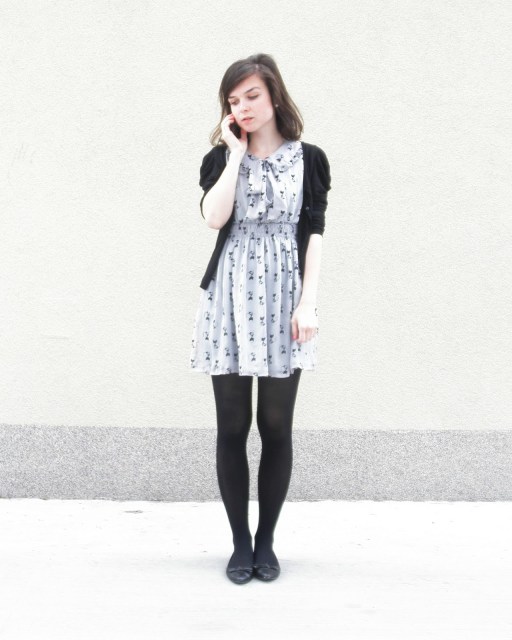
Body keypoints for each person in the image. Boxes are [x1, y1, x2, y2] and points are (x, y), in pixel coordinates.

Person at [190, 53, 331, 584]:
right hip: (229, 301)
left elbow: (313, 233)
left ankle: (266, 540)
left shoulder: (309, 159)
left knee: (275, 425)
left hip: (283, 301)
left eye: (252, 95)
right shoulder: (220, 158)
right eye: (234, 100)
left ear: (274, 95)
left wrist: (308, 303)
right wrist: (234, 155)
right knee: (232, 426)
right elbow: (214, 218)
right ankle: (240, 542)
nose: (243, 106)